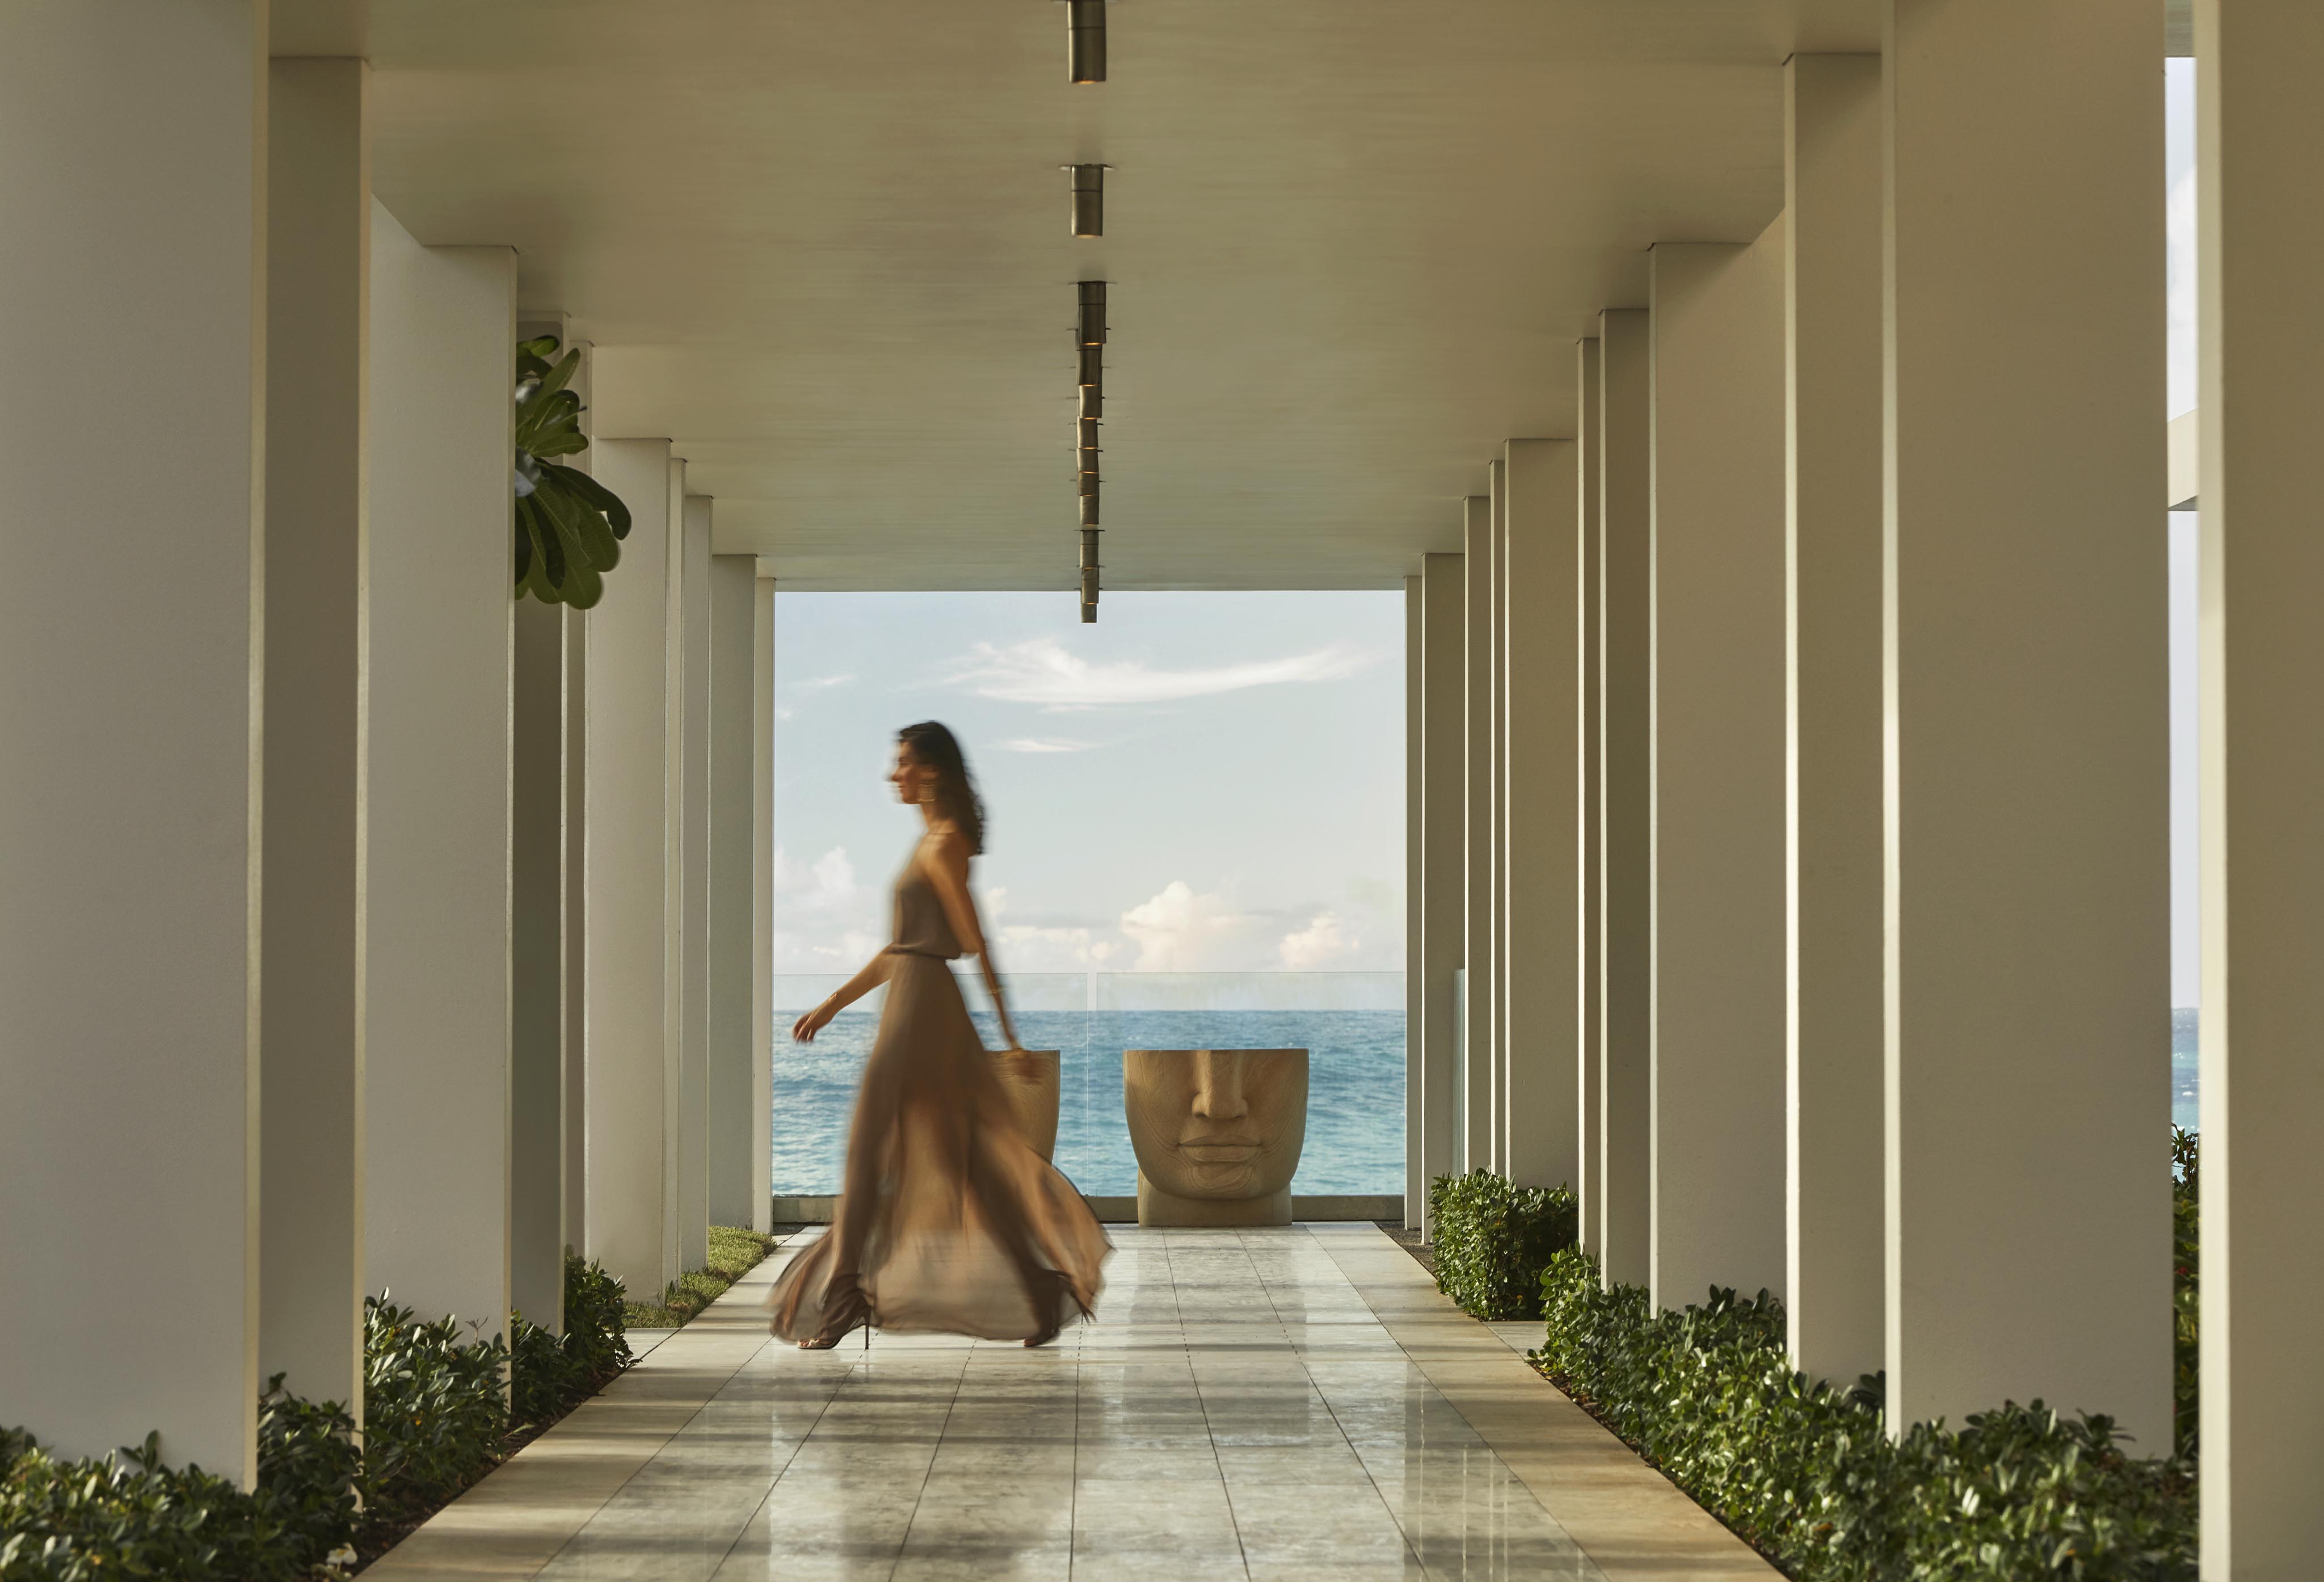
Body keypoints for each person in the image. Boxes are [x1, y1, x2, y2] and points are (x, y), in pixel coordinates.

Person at [766, 721, 1110, 1349]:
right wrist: (833, 1003)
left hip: (923, 1009)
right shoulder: (928, 841)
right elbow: (900, 948)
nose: (893, 774)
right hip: (915, 998)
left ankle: (843, 1296)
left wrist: (1010, 1038)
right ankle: (1037, 1289)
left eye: (902, 762)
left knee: (868, 1151)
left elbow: (976, 944)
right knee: (965, 1163)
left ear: (931, 770)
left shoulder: (944, 844)